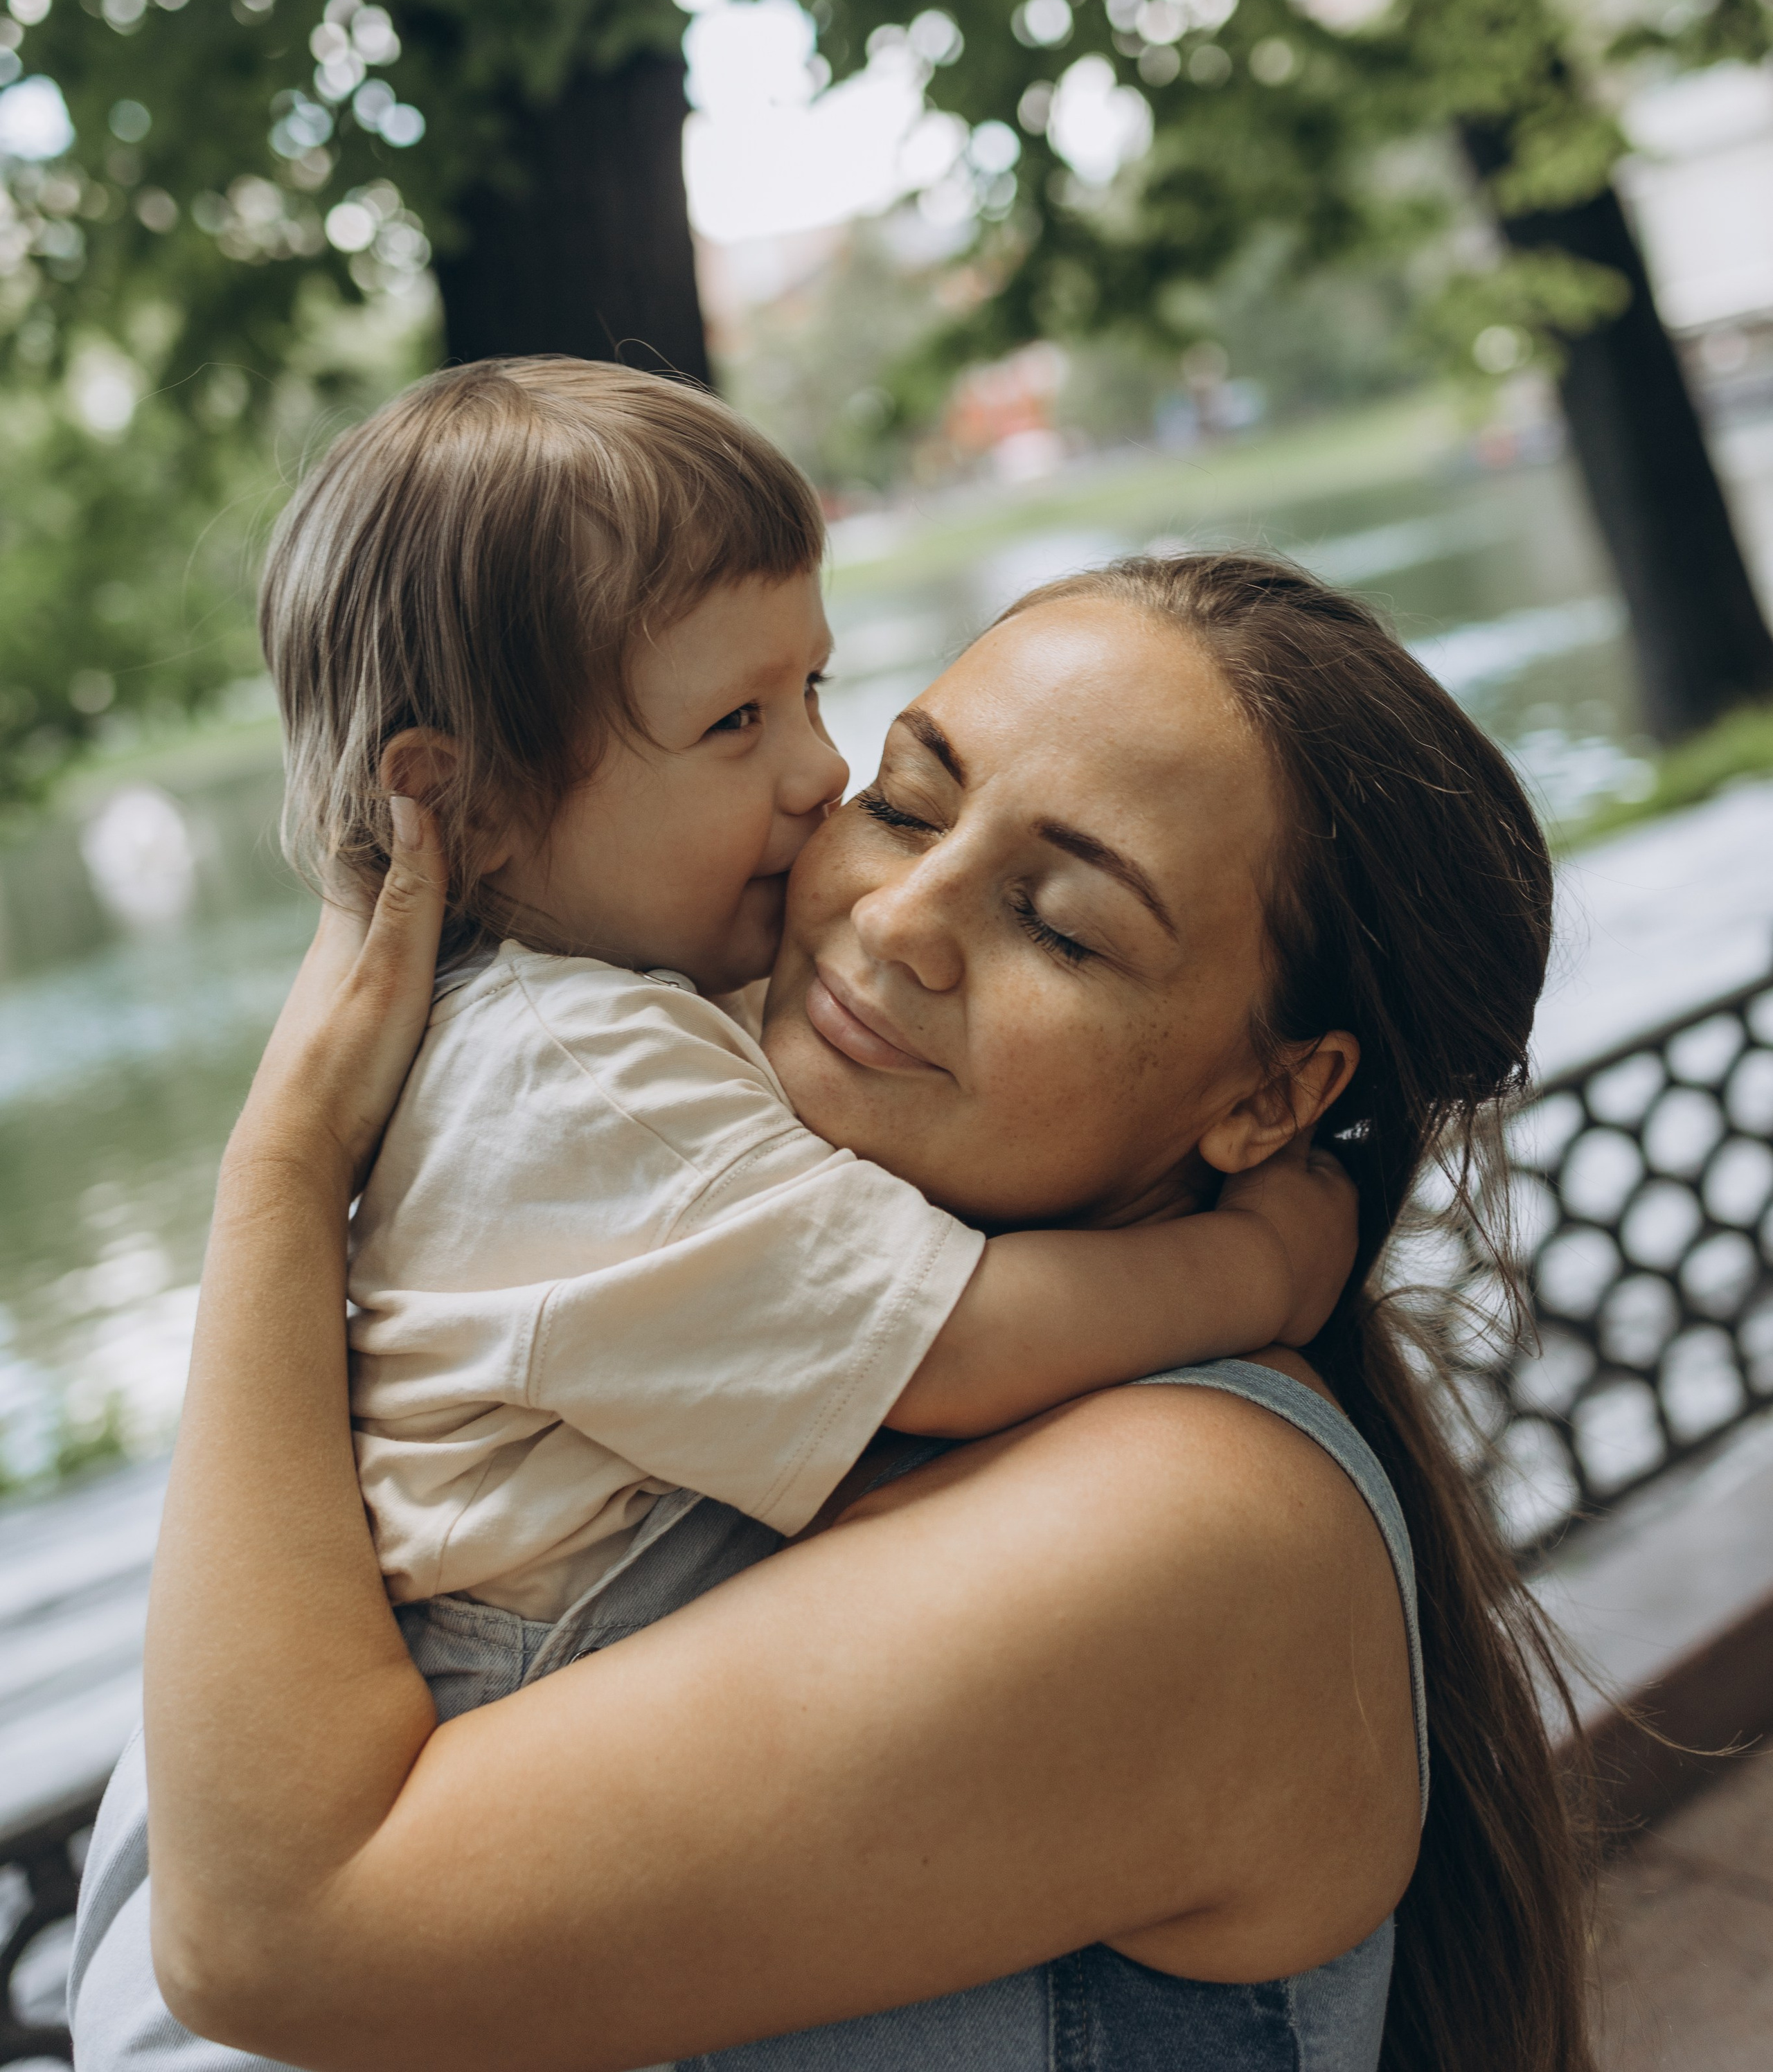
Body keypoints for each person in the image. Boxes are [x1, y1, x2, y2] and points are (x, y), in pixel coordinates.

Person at [74, 550, 1597, 2072]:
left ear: (1271, 1096)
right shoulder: (705, 1287)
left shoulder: (1196, 1521)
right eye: (904, 805)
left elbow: (263, 1938)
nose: (898, 918)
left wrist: (285, 1167)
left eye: (1062, 927)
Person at [267, 358, 1351, 1662]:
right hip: (502, 1678)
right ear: (467, 806)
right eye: (737, 720)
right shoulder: (572, 1073)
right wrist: (1258, 1267)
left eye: (815, 692)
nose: (820, 769)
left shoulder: (633, 1007)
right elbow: (955, 1343)